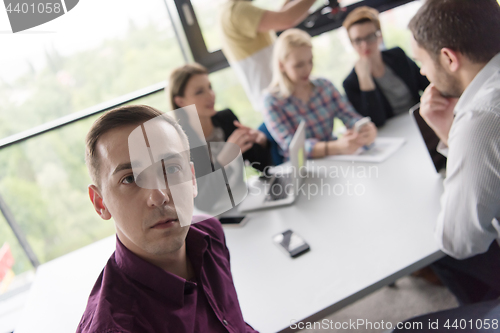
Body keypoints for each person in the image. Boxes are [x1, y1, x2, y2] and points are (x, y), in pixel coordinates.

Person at [77, 105, 258, 332]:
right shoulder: (116, 326)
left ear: (192, 179)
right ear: (100, 203)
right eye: (130, 178)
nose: (159, 196)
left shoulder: (210, 233)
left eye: (171, 169)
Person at [409, 0, 500, 304]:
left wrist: (458, 131)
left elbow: (460, 240)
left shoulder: (480, 119)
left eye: (421, 61)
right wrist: (448, 130)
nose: (422, 72)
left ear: (448, 57)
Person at [168, 63, 273, 211]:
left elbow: (264, 167)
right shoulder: (180, 142)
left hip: (245, 200)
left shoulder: (226, 119)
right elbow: (202, 201)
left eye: (209, 87)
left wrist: (261, 142)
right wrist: (222, 161)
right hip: (216, 214)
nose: (210, 95)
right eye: (199, 92)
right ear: (180, 102)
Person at [263, 28, 377, 160]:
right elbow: (292, 147)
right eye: (299, 65)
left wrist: (363, 129)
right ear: (281, 65)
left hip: (336, 160)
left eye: (310, 61)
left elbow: (349, 116)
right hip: (305, 170)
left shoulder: (324, 86)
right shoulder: (271, 101)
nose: (307, 69)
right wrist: (336, 147)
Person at [219, 0, 317, 112]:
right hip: (277, 99)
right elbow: (285, 19)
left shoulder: (230, 10)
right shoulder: (238, 11)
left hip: (279, 93)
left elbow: (282, 16)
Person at [342, 6, 429, 127]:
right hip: (393, 131)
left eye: (370, 37)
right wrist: (365, 80)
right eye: (358, 40)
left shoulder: (397, 55)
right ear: (352, 44)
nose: (365, 45)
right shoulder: (351, 83)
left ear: (379, 36)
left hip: (421, 118)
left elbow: (426, 84)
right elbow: (376, 121)